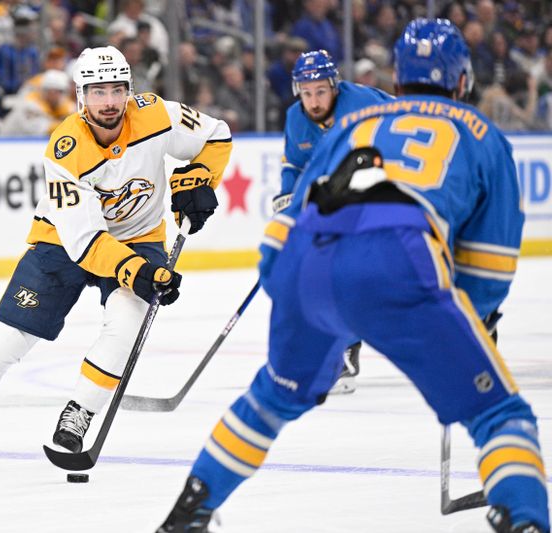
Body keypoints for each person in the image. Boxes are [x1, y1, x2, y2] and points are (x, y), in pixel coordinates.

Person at [158, 19, 549, 533]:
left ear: (398, 76)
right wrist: (469, 322)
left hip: (305, 264)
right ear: (462, 81)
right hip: (399, 264)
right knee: (500, 414)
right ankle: (525, 519)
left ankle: (188, 513)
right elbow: (489, 267)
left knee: (272, 396)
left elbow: (289, 221)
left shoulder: (354, 124)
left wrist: (290, 292)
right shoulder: (483, 136)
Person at [0, 45, 232, 457]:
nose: (109, 102)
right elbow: (86, 242)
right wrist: (141, 273)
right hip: (64, 240)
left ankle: (80, 411)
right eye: (98, 92)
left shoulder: (157, 114)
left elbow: (217, 135)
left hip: (139, 235)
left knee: (125, 325)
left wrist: (200, 177)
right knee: (8, 338)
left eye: (117, 90)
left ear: (130, 89)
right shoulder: (64, 151)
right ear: (81, 96)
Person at [280, 49, 392, 394]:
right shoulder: (296, 117)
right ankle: (340, 348)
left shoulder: (363, 104)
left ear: (335, 87)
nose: (314, 101)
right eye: (307, 92)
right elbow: (294, 166)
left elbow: (405, 127)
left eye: (321, 92)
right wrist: (286, 199)